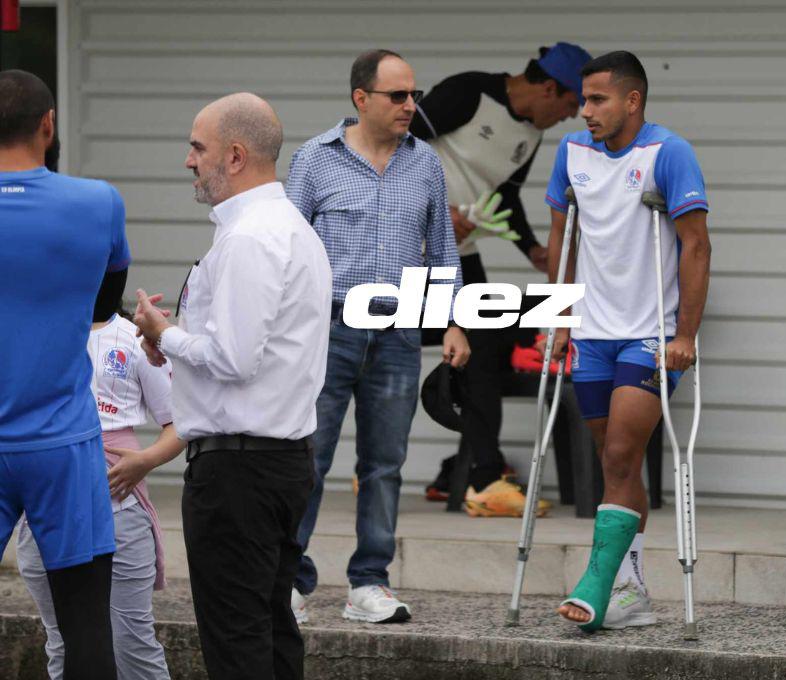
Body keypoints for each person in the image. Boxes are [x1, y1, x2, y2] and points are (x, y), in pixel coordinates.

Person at [132, 92, 332, 680]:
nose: (188, 160)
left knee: (237, 636)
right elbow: (248, 354)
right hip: (277, 460)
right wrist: (171, 341)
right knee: (268, 627)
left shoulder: (250, 237)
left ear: (236, 156)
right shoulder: (287, 229)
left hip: (239, 471)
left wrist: (165, 335)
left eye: (198, 147)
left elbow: (235, 358)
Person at [286, 49, 469, 625]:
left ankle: (369, 583)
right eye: (398, 96)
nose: (410, 106)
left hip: (398, 331)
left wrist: (454, 320)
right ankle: (288, 581)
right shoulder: (315, 160)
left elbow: (442, 249)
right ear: (361, 98)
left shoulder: (426, 164)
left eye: (413, 94)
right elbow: (286, 250)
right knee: (307, 458)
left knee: (385, 463)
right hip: (328, 329)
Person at [543, 52, 711, 631]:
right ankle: (631, 590)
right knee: (617, 463)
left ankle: (595, 585)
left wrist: (685, 332)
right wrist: (560, 319)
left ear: (632, 101)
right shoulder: (571, 153)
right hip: (591, 333)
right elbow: (562, 233)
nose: (583, 110)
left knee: (618, 455)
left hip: (651, 334)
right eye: (582, 99)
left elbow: (696, 245)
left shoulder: (669, 153)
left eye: (597, 99)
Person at [409, 42, 592, 517]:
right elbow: (395, 148)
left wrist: (530, 246)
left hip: (459, 253)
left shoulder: (529, 135)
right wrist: (436, 212)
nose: (574, 116)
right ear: (550, 87)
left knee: (490, 332)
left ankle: (477, 472)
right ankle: (472, 466)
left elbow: (505, 198)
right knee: (406, 336)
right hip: (406, 246)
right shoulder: (470, 93)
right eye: (573, 104)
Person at [0, 69, 128, 680]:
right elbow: (105, 309)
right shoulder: (98, 202)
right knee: (85, 627)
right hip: (64, 443)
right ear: (48, 126)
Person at [17, 286, 183, 680]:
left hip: (120, 509)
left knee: (132, 643)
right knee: (62, 641)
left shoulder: (132, 337)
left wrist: (145, 461)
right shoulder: (32, 336)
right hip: (45, 507)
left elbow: (180, 424)